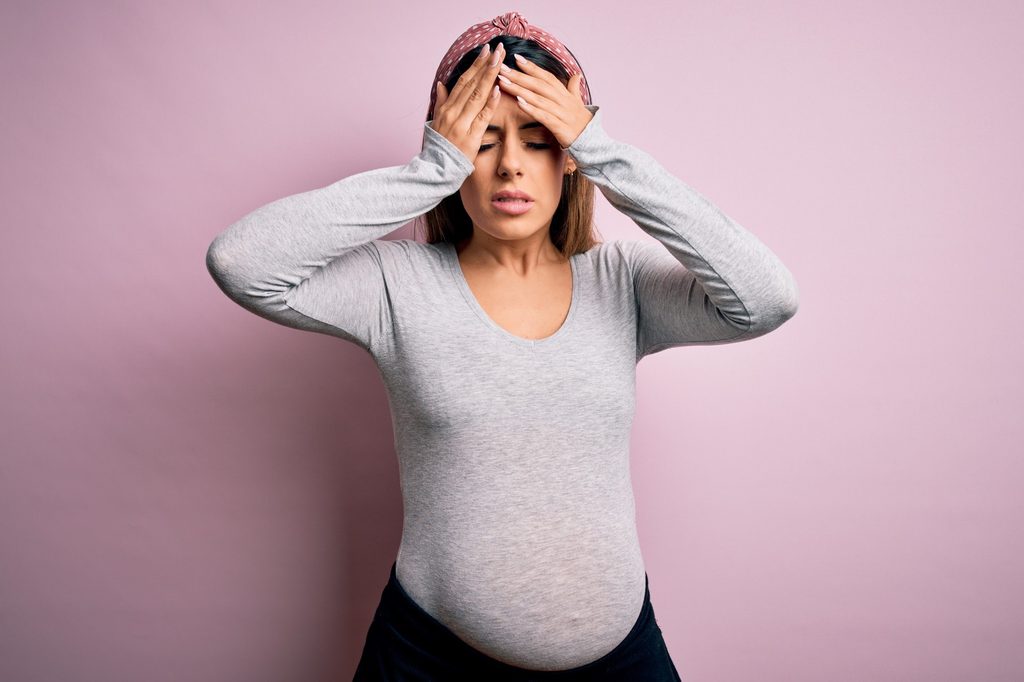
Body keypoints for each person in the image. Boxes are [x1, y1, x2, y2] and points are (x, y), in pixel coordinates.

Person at [205, 10, 799, 681]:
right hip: (430, 660)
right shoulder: (395, 285)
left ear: (568, 155)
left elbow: (766, 299)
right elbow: (241, 263)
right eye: (482, 140)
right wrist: (430, 169)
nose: (510, 165)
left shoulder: (622, 283)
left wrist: (602, 150)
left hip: (621, 661)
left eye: (539, 140)